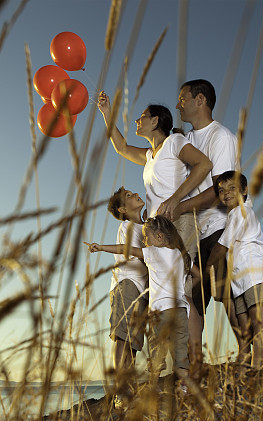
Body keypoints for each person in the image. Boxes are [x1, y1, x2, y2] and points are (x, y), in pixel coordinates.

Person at [97, 92, 209, 372]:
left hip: (178, 222)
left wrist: (177, 200)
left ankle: (192, 363)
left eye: (142, 117)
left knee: (182, 292)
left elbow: (204, 165)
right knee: (163, 295)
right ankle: (174, 366)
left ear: (156, 120)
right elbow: (121, 147)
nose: (137, 120)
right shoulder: (149, 155)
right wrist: (106, 111)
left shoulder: (175, 142)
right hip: (157, 230)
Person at [163, 78, 249, 356]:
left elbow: (218, 191)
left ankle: (251, 359)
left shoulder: (220, 137)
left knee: (227, 294)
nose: (178, 104)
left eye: (183, 98)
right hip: (198, 232)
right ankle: (194, 365)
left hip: (222, 227)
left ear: (200, 100)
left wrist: (176, 207)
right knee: (193, 299)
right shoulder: (186, 139)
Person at [86, 216, 200, 380]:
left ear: (159, 237)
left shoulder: (154, 252)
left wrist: (101, 247)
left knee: (156, 356)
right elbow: (198, 276)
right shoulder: (182, 255)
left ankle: (152, 389)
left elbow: (125, 249)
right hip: (181, 311)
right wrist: (183, 293)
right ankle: (185, 390)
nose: (145, 241)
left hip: (160, 311)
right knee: (181, 356)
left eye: (147, 237)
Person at [205, 171, 263, 368]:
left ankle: (261, 365)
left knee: (258, 321)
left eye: (232, 188)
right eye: (221, 190)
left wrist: (208, 266)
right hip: (240, 278)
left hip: (254, 273)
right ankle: (246, 361)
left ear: (244, 191)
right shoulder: (234, 214)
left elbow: (222, 246)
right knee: (245, 325)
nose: (226, 193)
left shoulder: (242, 212)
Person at [103, 187, 148, 394]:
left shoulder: (144, 226)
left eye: (133, 192)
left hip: (141, 289)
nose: (135, 194)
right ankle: (121, 390)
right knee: (124, 337)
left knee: (133, 341)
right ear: (122, 209)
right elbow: (130, 252)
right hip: (127, 284)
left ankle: (128, 386)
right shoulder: (128, 226)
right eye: (129, 196)